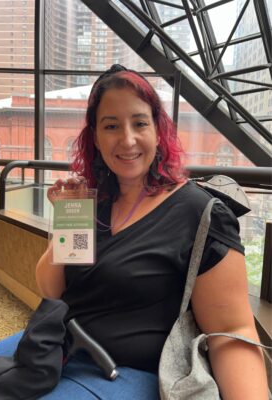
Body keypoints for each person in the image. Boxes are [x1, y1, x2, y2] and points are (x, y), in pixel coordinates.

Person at [36, 64, 270, 399]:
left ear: (158, 131)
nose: (127, 139)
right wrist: (66, 223)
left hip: (129, 374)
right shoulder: (94, 202)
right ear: (96, 139)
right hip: (55, 353)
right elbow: (51, 290)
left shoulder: (200, 213)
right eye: (111, 126)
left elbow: (232, 330)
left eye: (139, 123)